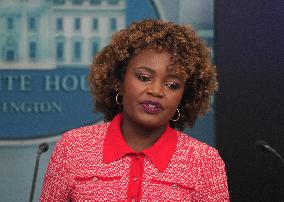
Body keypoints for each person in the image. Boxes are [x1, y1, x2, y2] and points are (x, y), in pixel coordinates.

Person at [40, 19, 229, 201]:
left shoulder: (204, 161)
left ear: (184, 96)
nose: (155, 91)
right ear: (119, 81)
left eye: (172, 85)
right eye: (144, 77)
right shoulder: (73, 148)